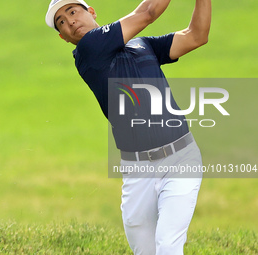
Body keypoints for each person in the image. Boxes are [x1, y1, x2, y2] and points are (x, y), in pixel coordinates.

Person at [45, 0, 211, 254]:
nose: (70, 22)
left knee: (167, 244)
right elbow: (147, 12)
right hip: (137, 172)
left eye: (72, 11)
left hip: (181, 158)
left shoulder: (141, 45)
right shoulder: (88, 50)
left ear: (91, 12)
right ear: (62, 37)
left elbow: (196, 36)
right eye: (62, 23)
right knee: (145, 250)